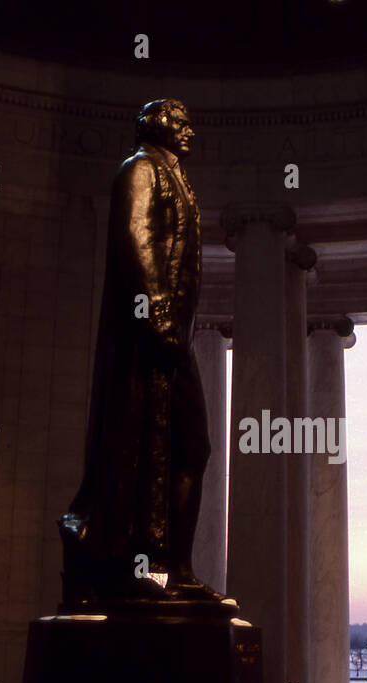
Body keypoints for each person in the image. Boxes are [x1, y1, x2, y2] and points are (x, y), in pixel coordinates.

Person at [59, 98, 224, 606]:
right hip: (152, 334)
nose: (191, 131)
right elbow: (137, 240)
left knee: (191, 448)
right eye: (182, 122)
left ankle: (175, 566)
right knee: (148, 449)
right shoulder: (140, 170)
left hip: (173, 336)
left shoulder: (176, 177)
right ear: (158, 126)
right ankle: (147, 567)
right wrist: (156, 316)